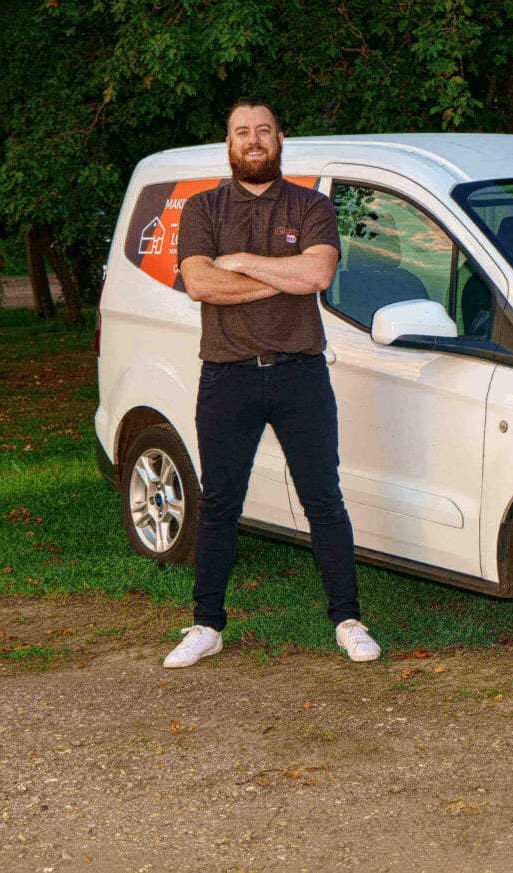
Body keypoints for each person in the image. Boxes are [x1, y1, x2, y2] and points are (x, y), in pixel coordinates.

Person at [162, 98, 380, 668]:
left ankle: (348, 619)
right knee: (219, 506)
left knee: (323, 501)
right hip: (226, 377)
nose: (253, 140)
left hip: (300, 375)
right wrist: (281, 278)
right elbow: (201, 285)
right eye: (242, 132)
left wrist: (239, 262)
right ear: (228, 143)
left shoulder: (311, 205)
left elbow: (318, 272)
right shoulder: (203, 208)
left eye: (263, 131)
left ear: (280, 139)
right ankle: (207, 624)